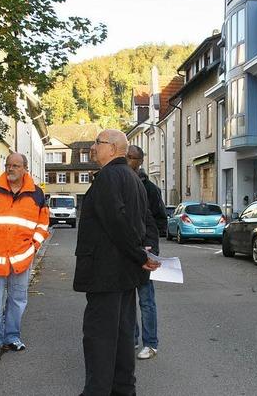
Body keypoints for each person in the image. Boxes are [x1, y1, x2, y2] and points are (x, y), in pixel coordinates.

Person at [73, 129, 160, 396]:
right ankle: (123, 390)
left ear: (112, 148)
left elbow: (116, 222)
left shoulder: (109, 178)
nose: (92, 147)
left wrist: (141, 255)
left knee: (100, 340)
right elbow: (145, 223)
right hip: (125, 275)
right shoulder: (133, 179)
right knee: (122, 339)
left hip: (106, 274)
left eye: (97, 143)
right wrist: (142, 256)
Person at [0, 152, 50, 355]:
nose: (11, 169)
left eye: (16, 165)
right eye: (8, 165)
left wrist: (34, 247)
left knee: (17, 298)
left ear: (25, 169)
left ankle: (12, 337)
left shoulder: (36, 194)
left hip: (22, 256)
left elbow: (42, 225)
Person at [126, 145, 167, 360]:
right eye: (125, 156)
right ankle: (131, 339)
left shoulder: (150, 189)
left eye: (131, 158)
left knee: (146, 299)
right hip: (127, 251)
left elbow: (160, 219)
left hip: (146, 251)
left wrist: (151, 247)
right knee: (127, 298)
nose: (127, 160)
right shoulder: (121, 183)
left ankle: (150, 343)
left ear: (140, 161)